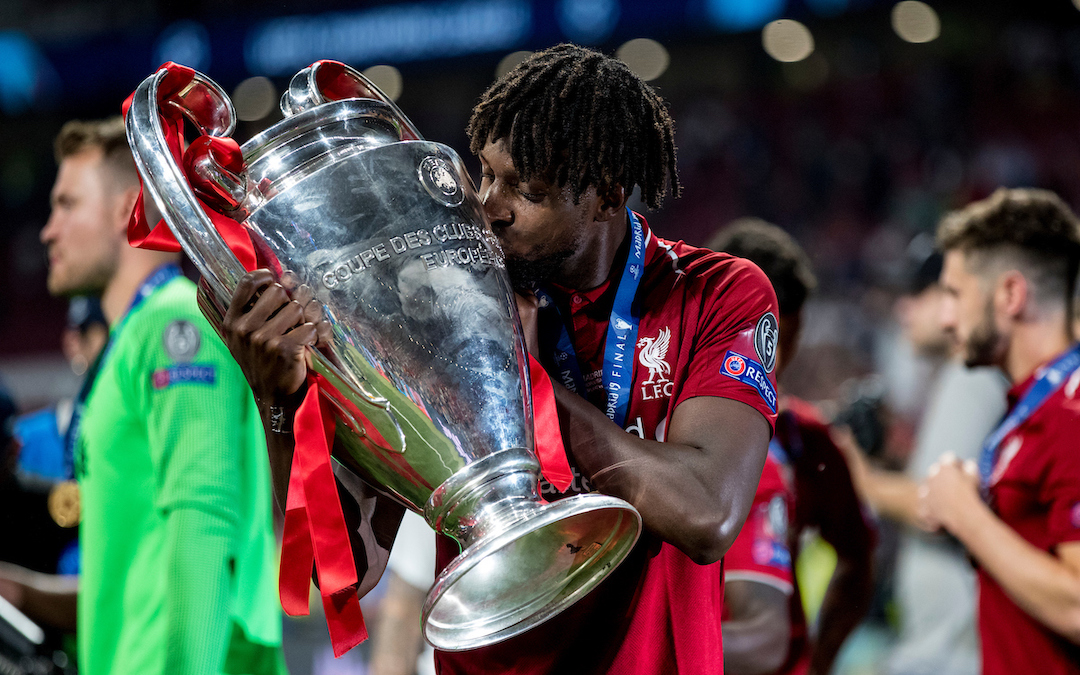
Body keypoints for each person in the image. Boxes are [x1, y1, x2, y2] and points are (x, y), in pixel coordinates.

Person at [220, 43, 778, 673]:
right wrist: (281, 404)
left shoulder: (716, 292)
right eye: (483, 174)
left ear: (607, 194)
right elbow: (337, 573)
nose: (489, 207)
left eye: (526, 190)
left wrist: (503, 370)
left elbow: (707, 512)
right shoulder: (430, 301)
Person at [0, 117, 285, 675]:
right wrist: (25, 592)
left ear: (125, 207)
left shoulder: (174, 325)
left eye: (67, 204)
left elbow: (201, 521)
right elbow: (135, 570)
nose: (48, 230)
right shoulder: (133, 339)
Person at [921, 187, 1080, 675]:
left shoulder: (1070, 414)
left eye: (954, 293)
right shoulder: (1034, 410)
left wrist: (966, 514)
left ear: (1011, 294)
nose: (946, 318)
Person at [708, 219, 875, 675]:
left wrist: (819, 660)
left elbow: (858, 558)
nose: (773, 360)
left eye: (786, 339)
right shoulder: (654, 430)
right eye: (762, 335)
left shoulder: (811, 442)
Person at [837, 244, 1007, 675]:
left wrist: (858, 472)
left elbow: (936, 506)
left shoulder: (972, 376)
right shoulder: (960, 376)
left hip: (954, 649)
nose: (903, 309)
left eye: (919, 294)